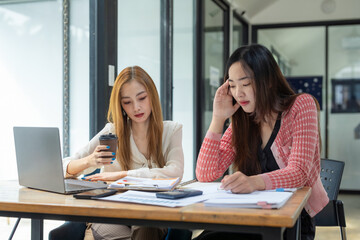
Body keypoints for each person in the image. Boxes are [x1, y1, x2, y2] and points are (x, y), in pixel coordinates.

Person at [195, 44, 329, 240]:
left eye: (245, 83)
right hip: (249, 215)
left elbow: (299, 172)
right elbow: (205, 174)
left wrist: (252, 182)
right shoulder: (242, 120)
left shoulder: (301, 105)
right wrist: (217, 118)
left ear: (267, 81)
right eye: (232, 85)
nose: (238, 93)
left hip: (291, 220)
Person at [49, 66, 184, 240]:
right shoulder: (112, 132)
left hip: (151, 212)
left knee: (147, 227)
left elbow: (175, 172)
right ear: (120, 105)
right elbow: (61, 168)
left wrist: (124, 175)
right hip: (111, 212)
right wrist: (89, 161)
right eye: (127, 102)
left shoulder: (171, 131)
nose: (136, 107)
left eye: (142, 98)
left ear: (152, 95)